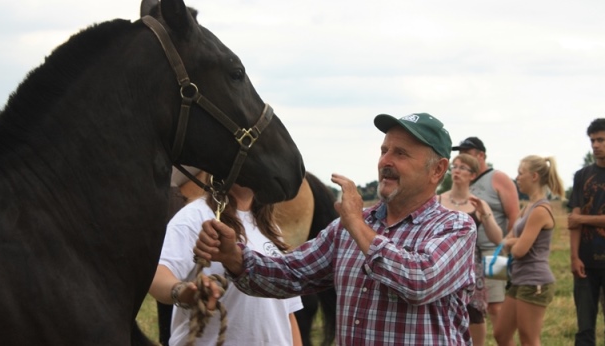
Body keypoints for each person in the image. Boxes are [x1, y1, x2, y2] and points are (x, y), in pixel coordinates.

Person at [195, 111, 477, 345]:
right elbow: (291, 274)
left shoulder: (455, 228)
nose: (385, 161)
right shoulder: (346, 230)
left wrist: (355, 222)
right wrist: (234, 256)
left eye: (401, 153)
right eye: (384, 150)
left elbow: (418, 281)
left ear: (438, 170)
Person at [149, 175, 303, 346]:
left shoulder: (272, 230)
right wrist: (182, 291)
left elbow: (288, 312)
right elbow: (157, 274)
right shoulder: (194, 216)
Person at [567, 118, 605, 346]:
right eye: (592, 140)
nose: (595, 145)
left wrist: (583, 218)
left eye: (601, 140)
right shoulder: (581, 176)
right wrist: (574, 257)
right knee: (584, 331)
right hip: (586, 262)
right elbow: (573, 222)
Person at [493, 155, 565, 346]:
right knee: (501, 334)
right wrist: (513, 242)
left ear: (534, 176)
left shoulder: (540, 210)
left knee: (529, 338)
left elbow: (519, 251)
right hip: (519, 279)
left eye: (520, 173)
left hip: (535, 282)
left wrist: (512, 243)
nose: (517, 178)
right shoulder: (527, 208)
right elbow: (508, 241)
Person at [452, 136, 520, 334]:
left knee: (495, 304)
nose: (461, 157)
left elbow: (513, 213)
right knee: (473, 307)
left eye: (467, 152)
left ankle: (503, 339)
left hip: (493, 251)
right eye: (460, 153)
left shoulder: (497, 177)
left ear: (481, 155)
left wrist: (507, 247)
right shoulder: (461, 180)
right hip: (469, 254)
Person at [439, 153, 503, 346]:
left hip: (470, 268)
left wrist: (485, 215)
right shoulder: (437, 200)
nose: (456, 171)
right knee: (442, 314)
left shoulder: (478, 204)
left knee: (474, 314)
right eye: (454, 166)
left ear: (472, 175)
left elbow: (497, 238)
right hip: (442, 266)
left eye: (462, 168)